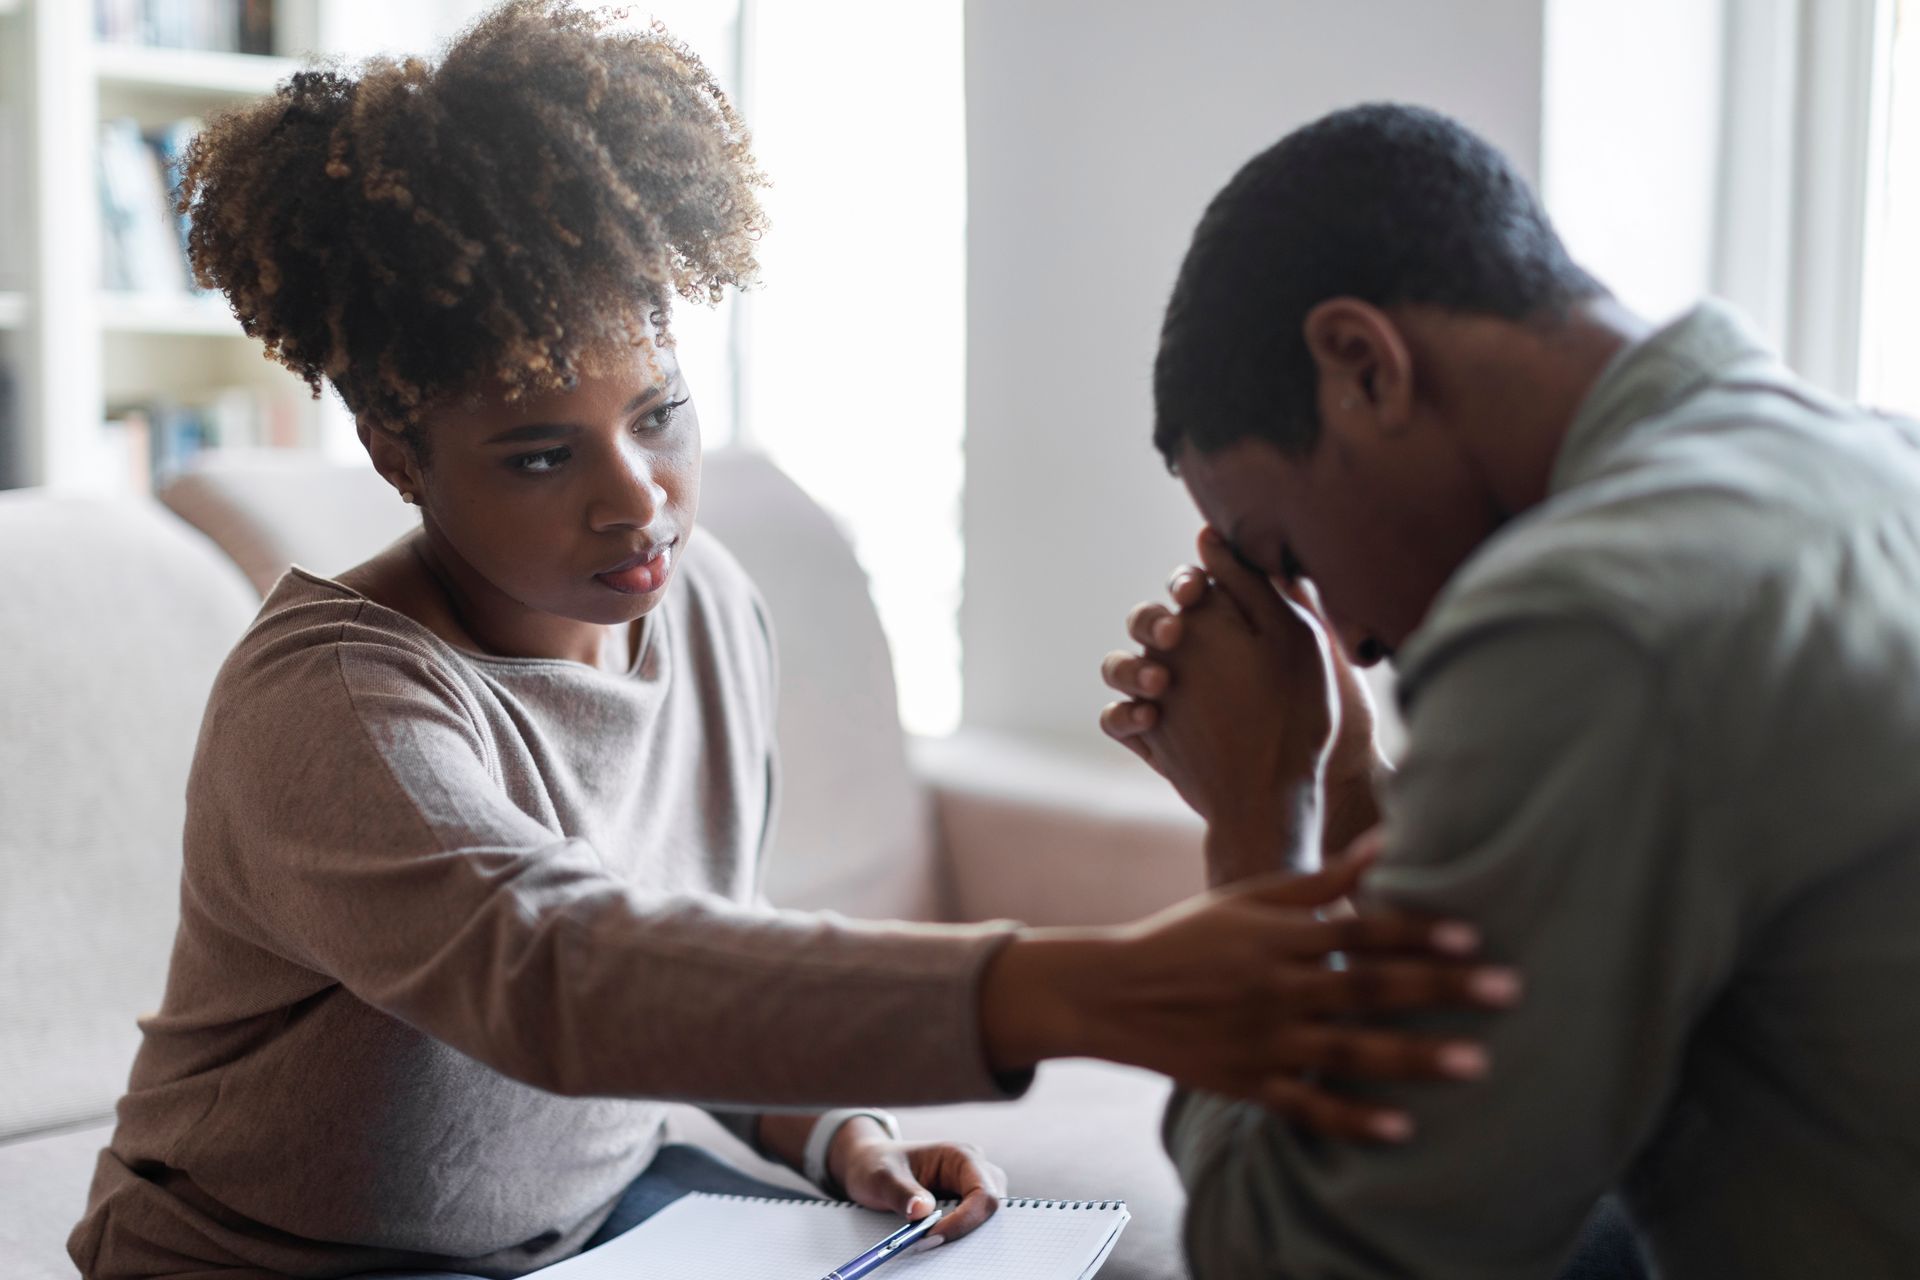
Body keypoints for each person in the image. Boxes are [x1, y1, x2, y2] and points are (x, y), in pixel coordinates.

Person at [66, 12, 1523, 1279]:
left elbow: (703, 960)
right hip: (287, 1261)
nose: (636, 496)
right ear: (397, 455)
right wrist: (1082, 984)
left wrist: (836, 1134)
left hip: (596, 1213)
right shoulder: (337, 700)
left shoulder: (701, 610)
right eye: (534, 455)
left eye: (660, 414)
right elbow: (561, 970)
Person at [1101, 101, 1920, 1278]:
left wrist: (1254, 828)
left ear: (1362, 363)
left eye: (1287, 557)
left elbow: (1310, 1257)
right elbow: (1571, 958)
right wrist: (1340, 784)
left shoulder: (1596, 614)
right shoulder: (1871, 457)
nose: (1349, 638)